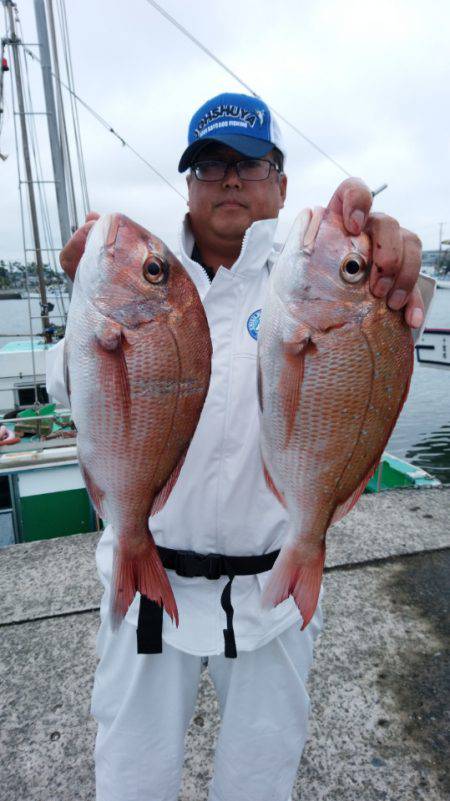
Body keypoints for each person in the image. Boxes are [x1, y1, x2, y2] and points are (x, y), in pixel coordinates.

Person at [46, 92, 425, 801]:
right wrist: (81, 305)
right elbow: (70, 391)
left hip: (273, 590)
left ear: (281, 184)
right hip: (148, 591)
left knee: (260, 780)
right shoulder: (148, 275)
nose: (229, 179)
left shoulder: (307, 274)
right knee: (130, 778)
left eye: (250, 165)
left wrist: (388, 277)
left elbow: (362, 372)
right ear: (187, 183)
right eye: (210, 163)